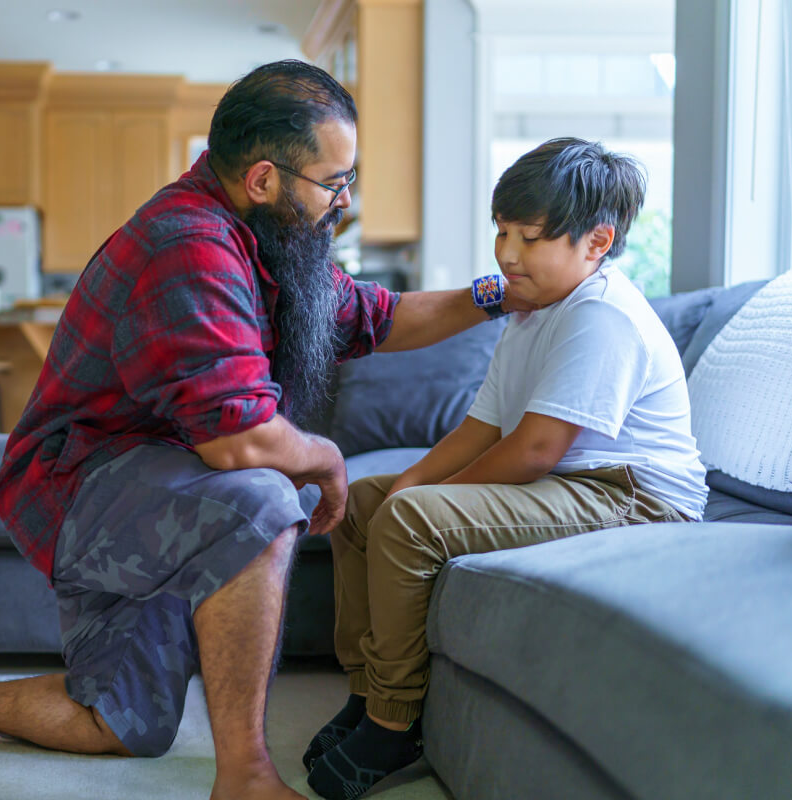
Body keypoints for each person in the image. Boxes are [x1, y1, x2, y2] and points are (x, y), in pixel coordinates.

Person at [0, 60, 533, 800]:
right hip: (81, 484)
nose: (343, 201)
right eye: (333, 181)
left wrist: (502, 293)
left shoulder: (265, 243)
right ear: (263, 180)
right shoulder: (189, 247)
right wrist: (325, 458)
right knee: (263, 498)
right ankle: (245, 775)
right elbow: (239, 438)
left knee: (125, 725)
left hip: (157, 481)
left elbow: (377, 315)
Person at [302, 137, 709, 800]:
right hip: (573, 480)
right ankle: (364, 688)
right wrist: (405, 486)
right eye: (502, 232)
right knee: (368, 501)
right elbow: (481, 427)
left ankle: (392, 720)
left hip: (634, 494)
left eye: (531, 237)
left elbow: (535, 450)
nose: (508, 254)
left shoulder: (600, 314)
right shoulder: (530, 309)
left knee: (407, 518)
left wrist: (418, 505)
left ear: (596, 243)